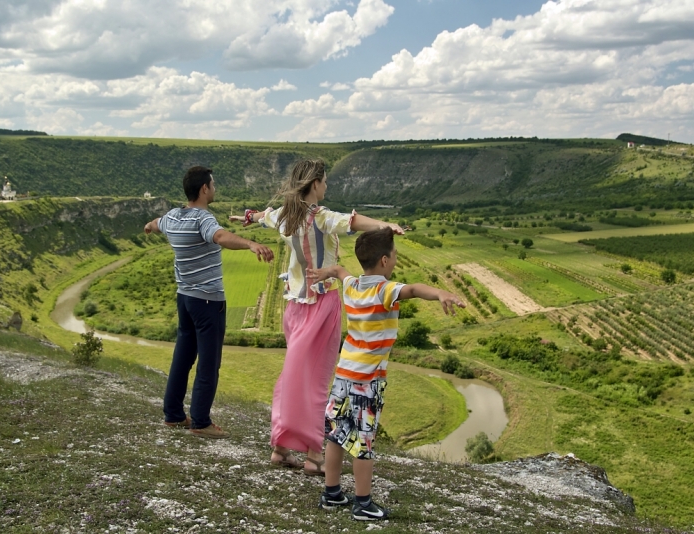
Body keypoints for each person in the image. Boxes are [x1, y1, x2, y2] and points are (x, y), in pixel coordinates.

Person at [230, 159, 404, 474]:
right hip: (322, 303)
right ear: (314, 184)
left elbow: (262, 217)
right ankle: (313, 456)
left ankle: (281, 448)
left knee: (293, 377)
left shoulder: (284, 217)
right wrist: (385, 225)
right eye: (324, 182)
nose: (326, 187)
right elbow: (350, 222)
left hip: (293, 306)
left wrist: (248, 217)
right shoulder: (318, 217)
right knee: (318, 381)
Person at [307, 227, 464, 520]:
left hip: (343, 375)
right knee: (363, 442)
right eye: (393, 257)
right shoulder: (384, 290)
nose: (395, 261)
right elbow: (415, 289)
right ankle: (363, 504)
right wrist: (441, 292)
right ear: (383, 260)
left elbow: (340, 270)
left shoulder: (352, 285)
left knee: (337, 434)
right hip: (367, 381)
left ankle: (331, 494)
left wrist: (324, 272)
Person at [144, 166, 273, 439]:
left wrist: (149, 226)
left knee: (183, 356)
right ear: (204, 189)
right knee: (208, 362)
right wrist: (250, 244)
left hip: (185, 299)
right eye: (213, 184)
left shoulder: (173, 217)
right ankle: (200, 421)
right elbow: (220, 236)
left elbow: (156, 223)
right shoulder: (203, 219)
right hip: (208, 302)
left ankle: (173, 415)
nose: (214, 188)